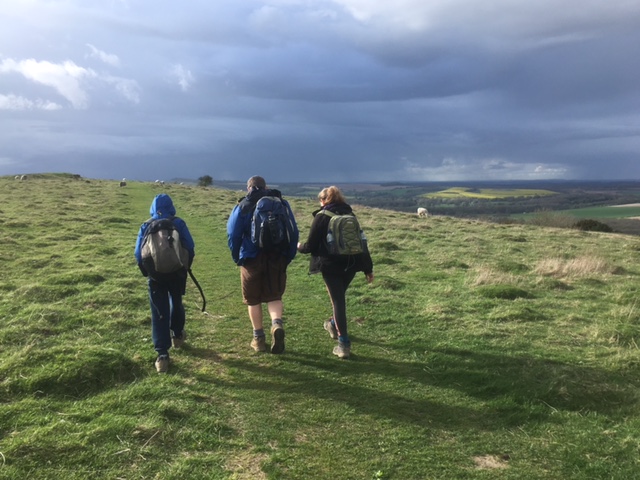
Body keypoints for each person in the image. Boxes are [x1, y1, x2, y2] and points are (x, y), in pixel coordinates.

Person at [297, 186, 374, 359]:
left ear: (324, 200)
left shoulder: (322, 216)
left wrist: (299, 247)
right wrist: (368, 269)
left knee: (338, 302)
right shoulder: (350, 216)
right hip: (352, 264)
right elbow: (362, 243)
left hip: (331, 266)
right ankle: (332, 323)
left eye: (320, 200)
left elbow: (311, 246)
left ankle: (343, 344)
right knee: (339, 298)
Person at [227, 175, 299, 353]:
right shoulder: (280, 203)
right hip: (276, 257)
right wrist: (288, 256)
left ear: (248, 188)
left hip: (251, 259)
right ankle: (276, 324)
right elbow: (293, 231)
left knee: (253, 299)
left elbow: (233, 234)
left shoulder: (243, 205)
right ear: (265, 187)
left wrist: (237, 257)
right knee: (274, 296)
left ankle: (258, 339)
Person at [134, 193, 195, 373]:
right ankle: (177, 335)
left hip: (155, 275)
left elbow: (138, 254)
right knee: (176, 301)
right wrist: (185, 267)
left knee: (159, 310)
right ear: (171, 206)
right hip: (177, 273)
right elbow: (190, 247)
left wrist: (147, 272)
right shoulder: (179, 223)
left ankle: (162, 355)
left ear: (153, 208)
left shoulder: (146, 225)